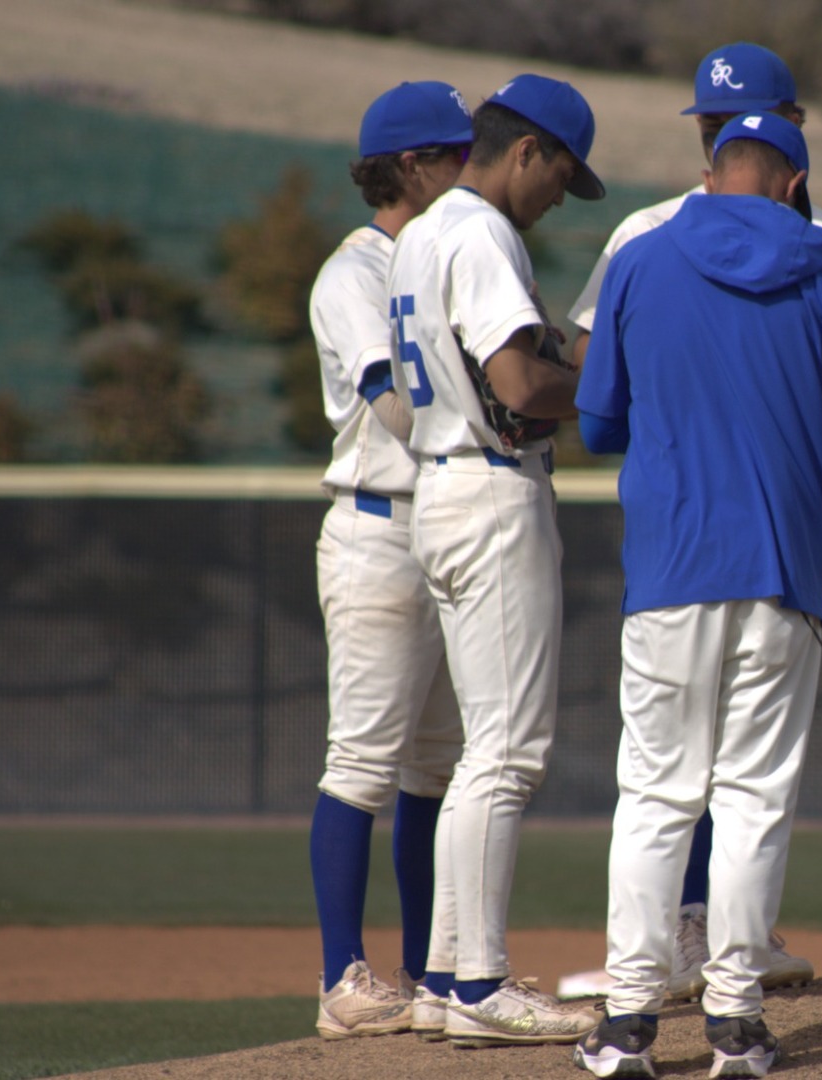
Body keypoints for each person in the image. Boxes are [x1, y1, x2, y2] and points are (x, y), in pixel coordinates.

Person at [561, 42, 822, 1002]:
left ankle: (629, 1013)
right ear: (794, 180)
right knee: (753, 800)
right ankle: (737, 1015)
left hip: (670, 561)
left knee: (658, 797)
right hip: (785, 566)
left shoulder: (639, 250)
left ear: (706, 171)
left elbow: (595, 424)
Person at [385, 72, 606, 1048]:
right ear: (527, 151)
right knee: (508, 754)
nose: (563, 194)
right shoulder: (478, 230)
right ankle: (479, 986)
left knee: (484, 750)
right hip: (488, 486)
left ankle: (442, 977)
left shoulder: (421, 231)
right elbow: (518, 381)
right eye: (562, 172)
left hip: (438, 479)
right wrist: (606, 383)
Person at [307, 80, 470, 1041]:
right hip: (380, 525)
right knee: (363, 761)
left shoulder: (442, 256)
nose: (466, 169)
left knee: (436, 768)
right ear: (413, 166)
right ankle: (341, 980)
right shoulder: (355, 273)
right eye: (453, 154)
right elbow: (397, 403)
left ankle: (427, 969)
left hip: (446, 521)